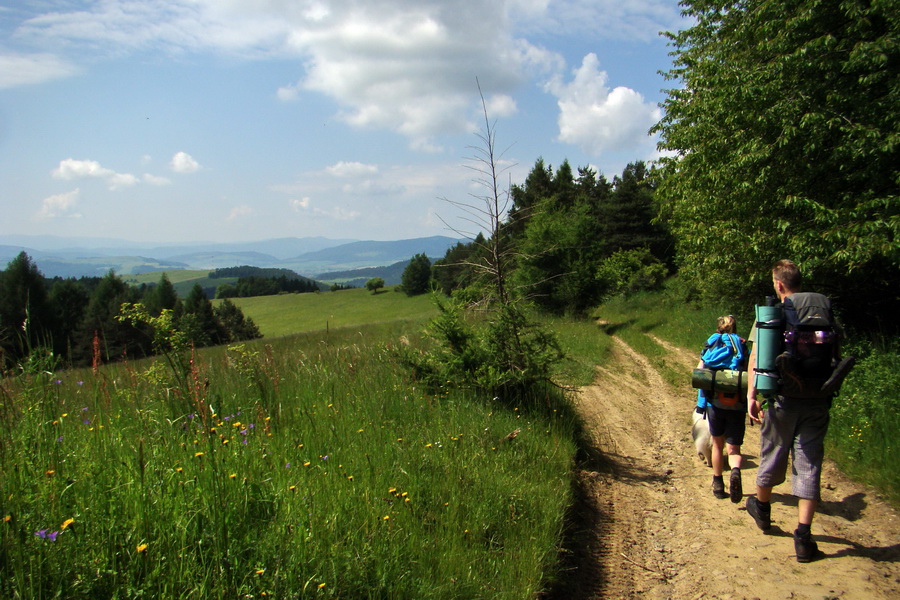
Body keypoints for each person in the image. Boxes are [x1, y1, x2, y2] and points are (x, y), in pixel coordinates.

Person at [745, 259, 837, 563]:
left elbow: (758, 357)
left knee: (773, 451)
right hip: (817, 398)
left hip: (782, 401)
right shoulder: (822, 310)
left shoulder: (774, 314)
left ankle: (763, 510)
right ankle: (803, 536)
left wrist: (752, 395)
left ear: (779, 284)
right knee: (809, 463)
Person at [696, 315, 748, 502]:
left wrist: (701, 405)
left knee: (717, 445)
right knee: (734, 448)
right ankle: (735, 471)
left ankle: (718, 484)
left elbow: (700, 374)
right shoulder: (742, 344)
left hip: (715, 403)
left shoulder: (712, 342)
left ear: (719, 327)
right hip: (737, 403)